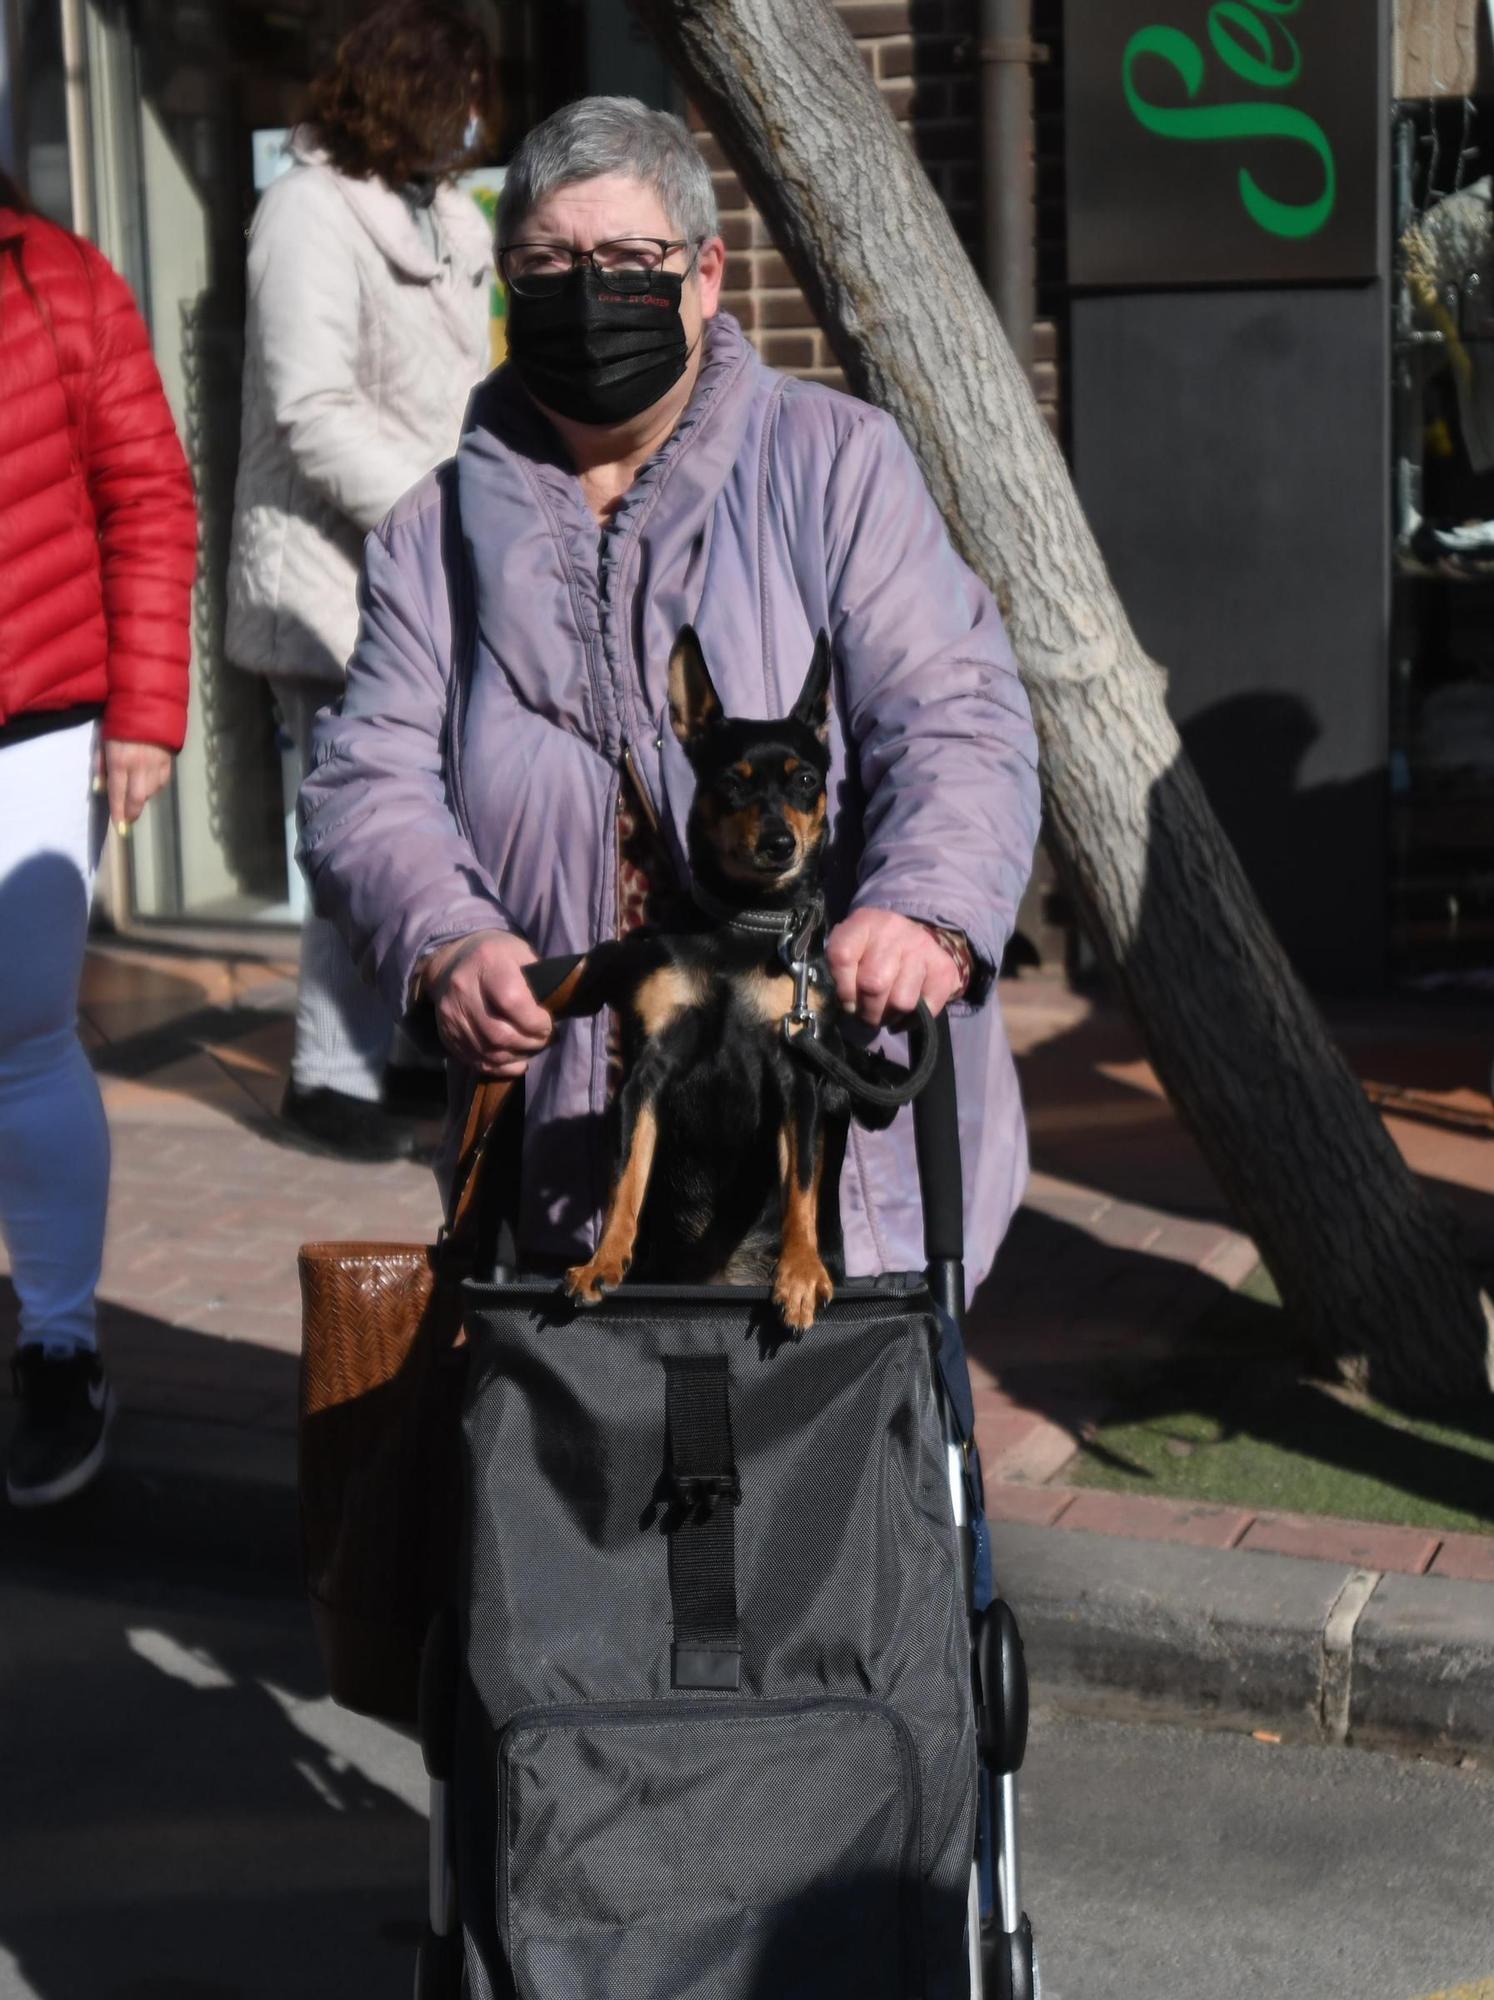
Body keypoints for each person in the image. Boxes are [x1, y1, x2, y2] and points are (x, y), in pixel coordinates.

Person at [298, 96, 1042, 1286]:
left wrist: (928, 908)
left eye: (630, 261)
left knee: (852, 1469)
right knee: (573, 1464)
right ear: (506, 288)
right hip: (568, 1158)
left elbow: (957, 716)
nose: (590, 295)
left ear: (705, 276)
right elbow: (364, 781)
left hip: (830, 1170)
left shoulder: (837, 464)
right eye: (548, 262)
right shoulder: (424, 538)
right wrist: (444, 941)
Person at [226, 0, 497, 1161]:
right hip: (333, 571)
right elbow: (312, 406)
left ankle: (403, 1044)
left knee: (429, 807)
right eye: (461, 98)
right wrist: (448, 510)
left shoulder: (439, 212)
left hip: (425, 557)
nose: (479, 123)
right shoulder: (304, 213)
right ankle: (329, 1068)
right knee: (352, 816)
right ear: (410, 96)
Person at [0, 170, 196, 1507]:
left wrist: (145, 716)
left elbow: (148, 498)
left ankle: (58, 1344)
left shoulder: (58, 278)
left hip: (39, 723)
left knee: (21, 1039)